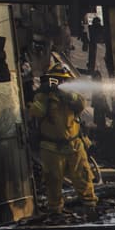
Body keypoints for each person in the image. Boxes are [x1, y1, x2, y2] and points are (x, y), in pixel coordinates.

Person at [29, 62, 97, 217]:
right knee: (53, 180)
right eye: (58, 79)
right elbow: (36, 112)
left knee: (83, 176)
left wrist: (67, 95)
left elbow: (81, 104)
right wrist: (46, 97)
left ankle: (90, 206)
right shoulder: (43, 95)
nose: (61, 82)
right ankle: (55, 211)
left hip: (74, 145)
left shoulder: (72, 96)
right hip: (52, 148)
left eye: (64, 80)